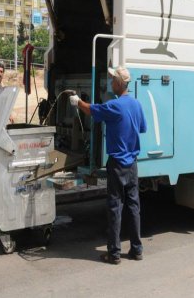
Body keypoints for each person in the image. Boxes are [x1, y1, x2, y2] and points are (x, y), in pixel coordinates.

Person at [70, 66, 147, 265]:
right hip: (132, 164)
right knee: (133, 206)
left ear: (120, 83)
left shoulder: (115, 106)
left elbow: (91, 109)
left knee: (115, 207)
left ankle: (114, 253)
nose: (110, 82)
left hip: (117, 164)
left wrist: (77, 102)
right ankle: (137, 250)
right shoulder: (136, 105)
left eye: (113, 79)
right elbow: (142, 128)